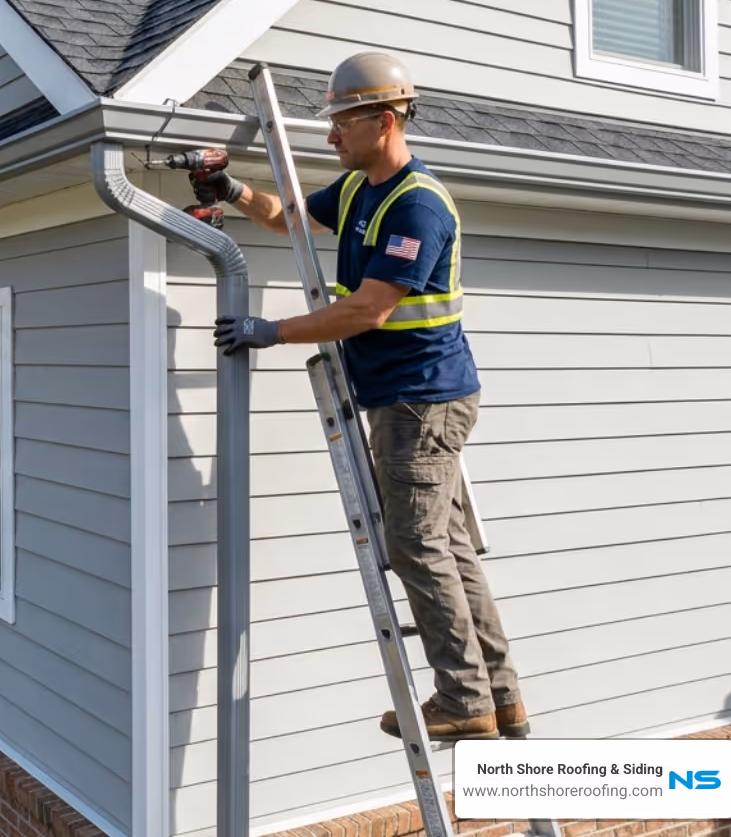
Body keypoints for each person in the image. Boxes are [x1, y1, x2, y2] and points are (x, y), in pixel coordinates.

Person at [201, 51, 525, 742]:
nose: (329, 136)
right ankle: (499, 696)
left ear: (382, 121)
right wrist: (230, 190)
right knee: (450, 550)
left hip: (422, 400)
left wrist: (272, 331)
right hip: (405, 396)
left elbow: (370, 310)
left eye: (341, 123)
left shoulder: (417, 205)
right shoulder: (355, 192)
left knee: (413, 545)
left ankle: (464, 701)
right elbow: (286, 218)